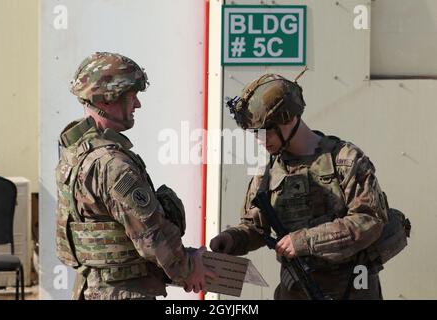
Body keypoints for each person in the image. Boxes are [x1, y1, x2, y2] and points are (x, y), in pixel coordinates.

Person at [210, 74, 388, 300]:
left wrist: (304, 241)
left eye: (264, 131)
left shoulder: (345, 159)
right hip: (295, 292)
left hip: (352, 290)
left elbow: (369, 221)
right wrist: (233, 238)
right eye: (255, 133)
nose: (260, 140)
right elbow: (256, 227)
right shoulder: (267, 173)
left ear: (287, 118)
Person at [55, 52, 215, 300]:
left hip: (92, 289)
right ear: (108, 99)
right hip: (123, 292)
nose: (137, 105)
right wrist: (189, 268)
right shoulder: (113, 166)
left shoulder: (75, 153)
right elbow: (151, 238)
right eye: (132, 97)